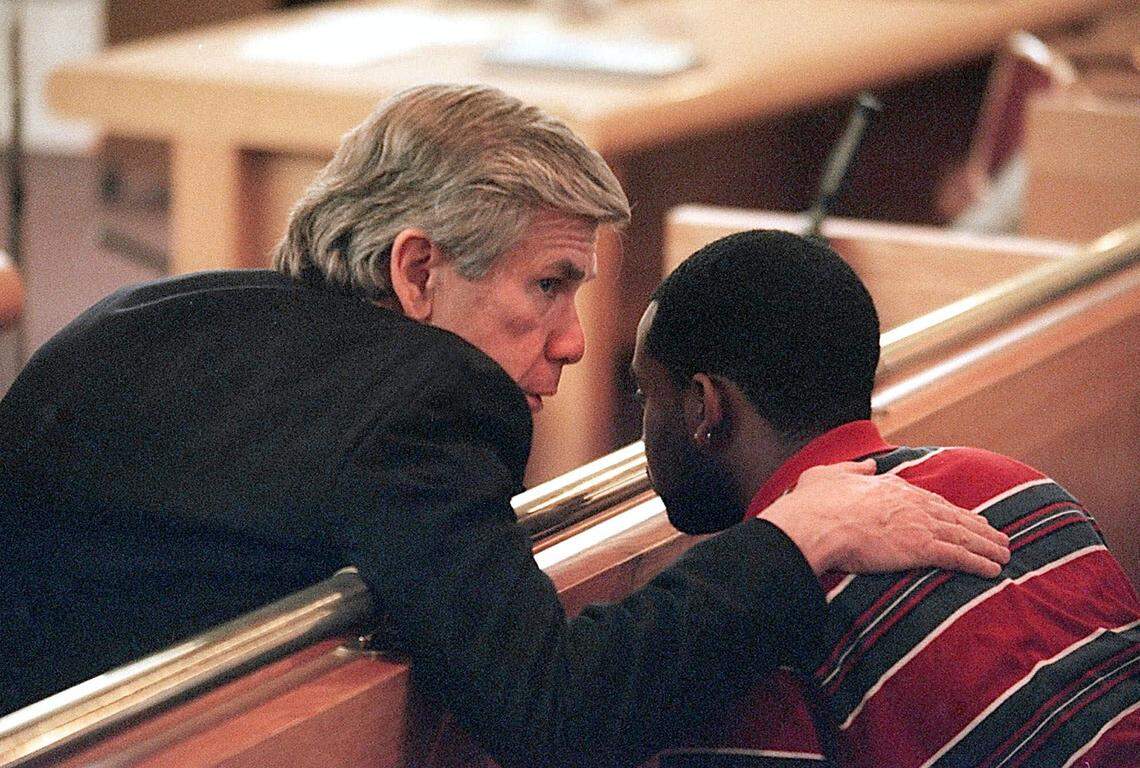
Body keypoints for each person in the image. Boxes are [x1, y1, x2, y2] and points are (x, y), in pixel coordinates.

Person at [0, 85, 1009, 767]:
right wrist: (794, 539)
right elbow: (554, 713)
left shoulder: (146, 314)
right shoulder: (423, 403)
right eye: (547, 286)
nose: (574, 344)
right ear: (418, 270)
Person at [629, 229, 1140, 767]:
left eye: (646, 393)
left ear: (705, 408)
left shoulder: (750, 639)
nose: (643, 424)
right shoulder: (1027, 489)